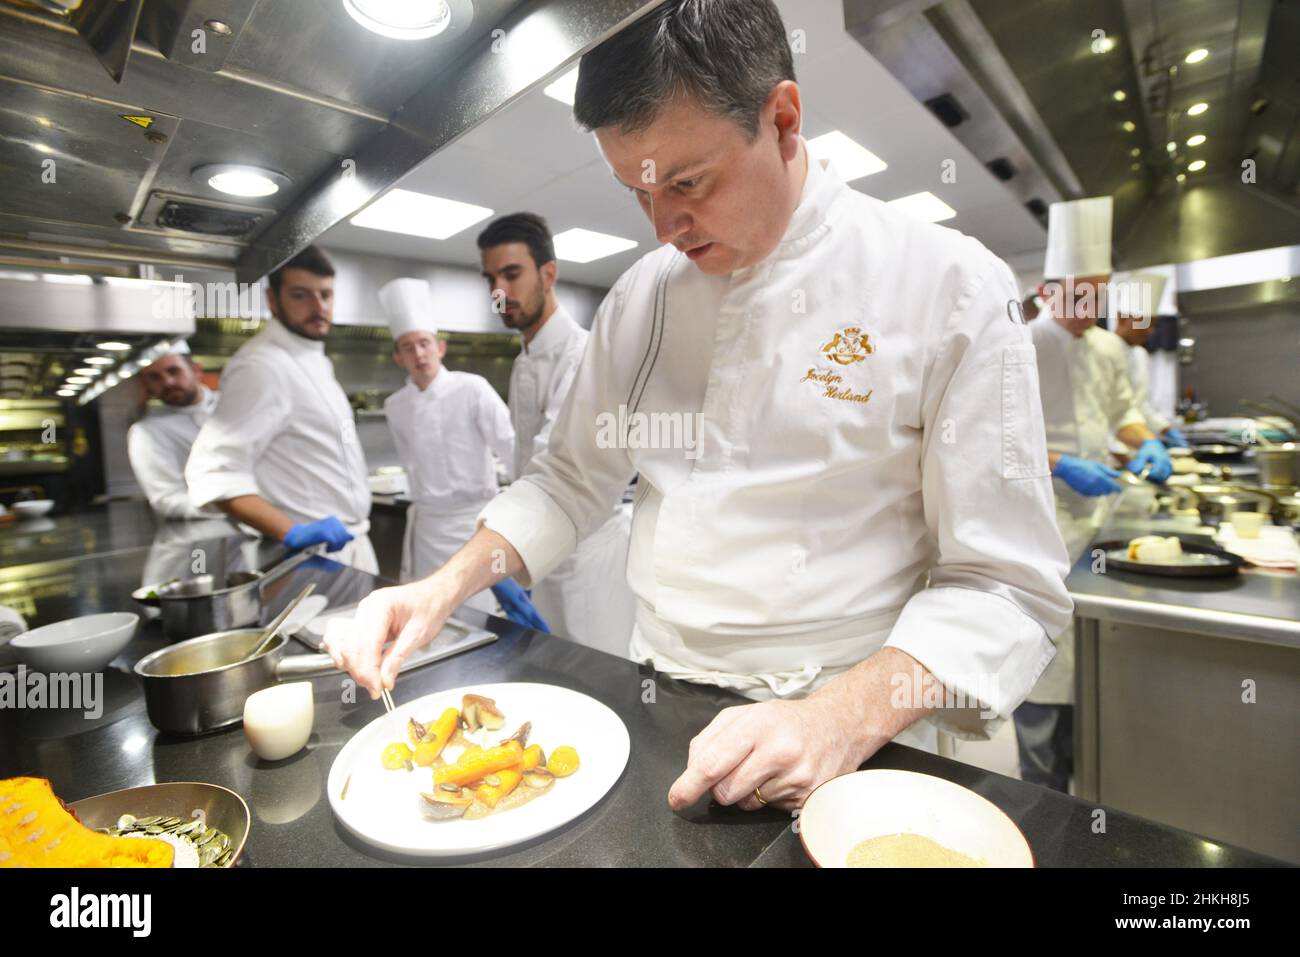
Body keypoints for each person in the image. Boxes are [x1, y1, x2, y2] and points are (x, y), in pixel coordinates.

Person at [327, 0, 1071, 813]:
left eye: (688, 182)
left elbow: (1003, 584)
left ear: (782, 118)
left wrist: (841, 717)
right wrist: (441, 588)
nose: (665, 227)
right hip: (661, 697)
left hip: (854, 728)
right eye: (637, 191)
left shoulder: (945, 284)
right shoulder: (642, 297)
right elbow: (571, 479)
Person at [1018, 197, 1173, 792]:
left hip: (1099, 524)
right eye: (1083, 294)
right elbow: (994, 439)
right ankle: (1041, 795)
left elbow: (1125, 414)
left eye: (1100, 294)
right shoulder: (1020, 344)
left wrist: (1143, 446)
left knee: (1094, 667)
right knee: (1044, 665)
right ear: (1050, 290)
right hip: (1042, 523)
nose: (1094, 307)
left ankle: (1093, 784)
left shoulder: (1108, 349)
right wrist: (1060, 465)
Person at [476, 213, 637, 658]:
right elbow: (523, 461)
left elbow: (556, 468)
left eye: (512, 274)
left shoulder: (583, 354)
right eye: (490, 278)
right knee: (550, 670)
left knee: (599, 678)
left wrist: (492, 563)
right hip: (538, 552)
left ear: (548, 274)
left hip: (587, 561)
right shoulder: (523, 360)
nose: (499, 292)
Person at [186, 246, 377, 572]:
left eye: (326, 295)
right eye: (301, 295)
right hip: (311, 557)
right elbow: (213, 473)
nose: (318, 307)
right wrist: (292, 533)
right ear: (273, 301)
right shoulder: (262, 366)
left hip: (349, 547)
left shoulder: (314, 359)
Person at [377, 277, 515, 615]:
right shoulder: (395, 405)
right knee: (431, 616)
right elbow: (409, 460)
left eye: (424, 343)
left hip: (475, 523)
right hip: (429, 528)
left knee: (478, 616)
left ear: (440, 347)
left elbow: (511, 448)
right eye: (408, 347)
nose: (418, 353)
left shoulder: (473, 389)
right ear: (398, 357)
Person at [126, 342, 221, 521]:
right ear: (146, 384)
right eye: (155, 377)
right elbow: (168, 500)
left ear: (196, 370)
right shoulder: (147, 432)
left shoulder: (234, 405)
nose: (167, 382)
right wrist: (237, 509)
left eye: (173, 371)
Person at [1110, 271, 1188, 449]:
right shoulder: (1101, 350)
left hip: (1138, 445)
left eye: (1153, 324)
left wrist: (1165, 429)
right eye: (1145, 323)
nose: (1150, 331)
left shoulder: (1139, 354)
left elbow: (1140, 404)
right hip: (1111, 451)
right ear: (1122, 318)